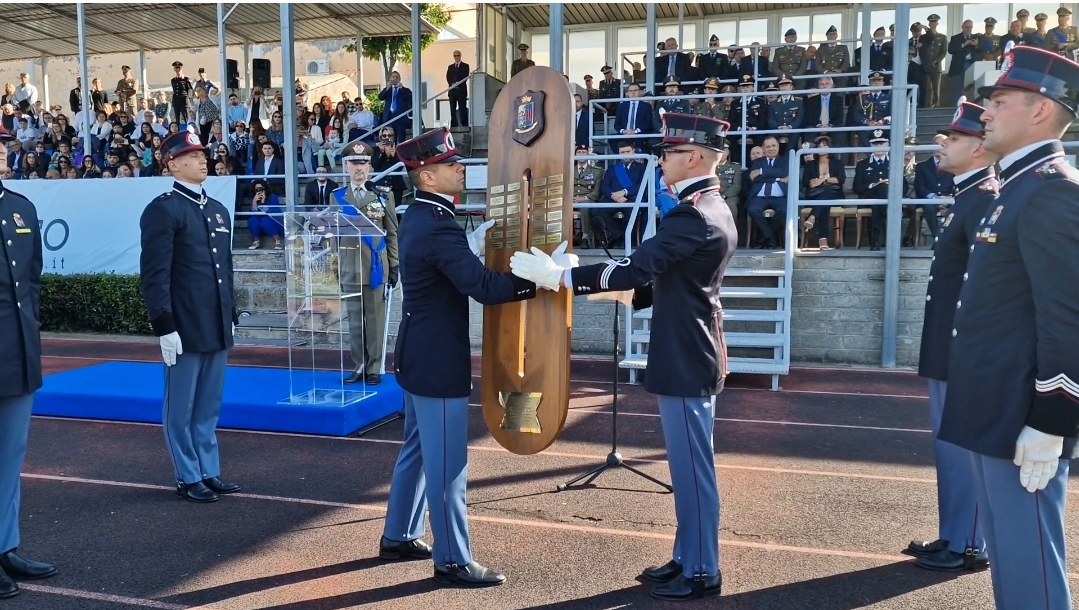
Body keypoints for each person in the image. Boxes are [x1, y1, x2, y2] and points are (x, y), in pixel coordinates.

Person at [509, 113, 735, 601]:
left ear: (694, 156)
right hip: (690, 345)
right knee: (688, 468)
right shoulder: (709, 206)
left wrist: (562, 278)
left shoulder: (692, 214)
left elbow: (638, 268)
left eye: (669, 153)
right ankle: (686, 556)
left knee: (693, 471)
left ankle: (702, 570)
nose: (661, 160)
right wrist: (610, 289)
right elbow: (667, 280)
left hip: (686, 352)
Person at [939, 46, 1079, 609]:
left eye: (999, 101)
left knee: (1029, 568)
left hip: (1021, 414)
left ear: (1041, 110)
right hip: (992, 403)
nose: (986, 113)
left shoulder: (1051, 190)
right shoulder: (1015, 189)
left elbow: (1067, 315)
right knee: (1011, 562)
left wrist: (1052, 419)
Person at [379, 127, 543, 587]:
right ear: (427, 177)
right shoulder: (438, 225)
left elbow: (445, 269)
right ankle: (452, 559)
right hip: (437, 359)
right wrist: (537, 280)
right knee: (449, 463)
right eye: (450, 165)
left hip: (416, 350)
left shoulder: (419, 216)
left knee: (415, 450)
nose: (460, 168)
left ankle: (399, 535)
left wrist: (465, 250)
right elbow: (485, 289)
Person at [906, 99, 997, 573]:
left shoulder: (984, 199)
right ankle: (952, 533)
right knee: (947, 449)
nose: (943, 143)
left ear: (981, 149)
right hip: (945, 345)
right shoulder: (966, 196)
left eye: (955, 138)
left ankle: (969, 542)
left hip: (963, 349)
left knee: (963, 449)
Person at [139, 131, 241, 504]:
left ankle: (209, 470)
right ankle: (187, 474)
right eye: (193, 154)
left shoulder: (217, 209)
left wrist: (229, 312)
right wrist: (164, 325)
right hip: (183, 324)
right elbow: (155, 274)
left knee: (209, 404)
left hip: (214, 321)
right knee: (180, 407)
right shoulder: (163, 209)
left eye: (203, 154)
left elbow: (224, 269)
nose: (203, 160)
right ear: (172, 163)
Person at [0, 127, 57, 599]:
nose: (3, 149)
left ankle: (6, 546)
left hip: (18, 352)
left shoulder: (22, 206)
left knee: (10, 456)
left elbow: (32, 280)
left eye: (3, 143)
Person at [333, 138, 398, 385]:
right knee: (353, 320)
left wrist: (394, 265)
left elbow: (392, 232)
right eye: (353, 163)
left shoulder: (382, 196)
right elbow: (332, 238)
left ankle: (373, 367)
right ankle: (358, 365)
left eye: (363, 164)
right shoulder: (337, 197)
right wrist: (333, 267)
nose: (359, 168)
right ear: (346, 167)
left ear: (370, 167)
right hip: (348, 266)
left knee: (375, 320)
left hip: (375, 267)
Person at [446, 50, 470, 128]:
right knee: (452, 107)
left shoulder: (465, 66)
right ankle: (454, 124)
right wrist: (452, 84)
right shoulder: (450, 67)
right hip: (452, 91)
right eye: (455, 56)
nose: (456, 57)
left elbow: (465, 76)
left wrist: (458, 83)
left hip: (461, 90)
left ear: (460, 56)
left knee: (462, 107)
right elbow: (448, 77)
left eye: (458, 55)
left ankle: (464, 123)